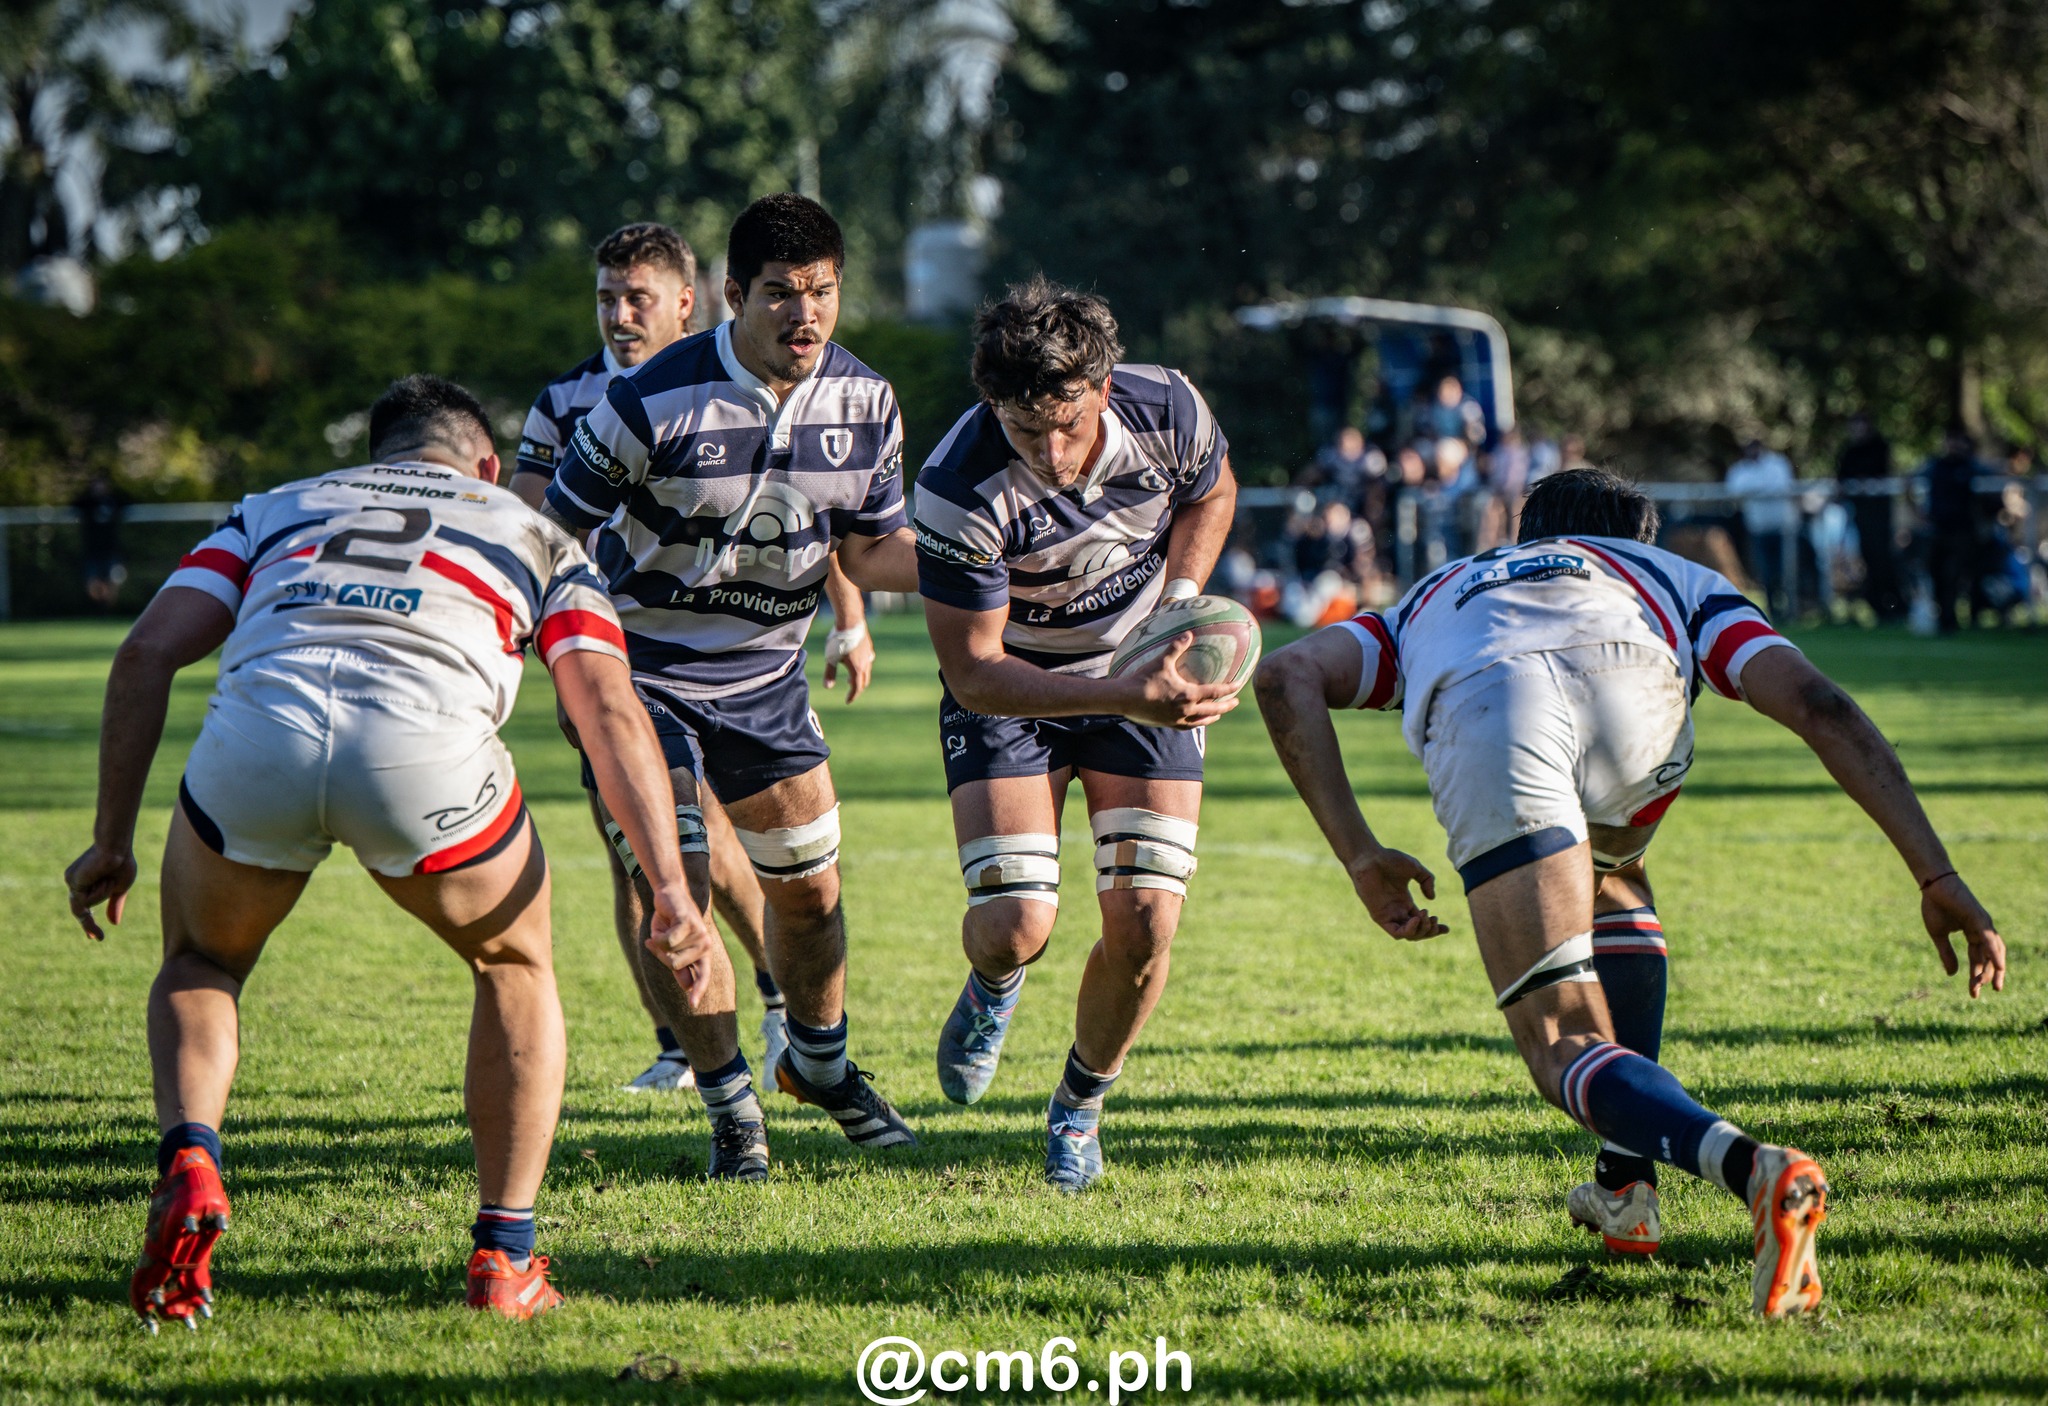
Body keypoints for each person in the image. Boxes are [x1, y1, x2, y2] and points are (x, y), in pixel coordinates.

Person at [1252, 467, 2004, 1317]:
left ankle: (1751, 1168)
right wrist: (1936, 875)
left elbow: (1283, 678)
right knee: (1611, 872)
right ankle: (1624, 1187)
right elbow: (1820, 705)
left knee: (1561, 1038)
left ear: (1525, 534)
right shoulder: (1672, 576)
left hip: (1497, 706)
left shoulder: (1439, 589)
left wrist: (1359, 853)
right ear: (1635, 538)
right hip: (1638, 699)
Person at [61, 376, 722, 1329]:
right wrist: (670, 888)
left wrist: (111, 840)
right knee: (512, 964)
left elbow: (145, 654)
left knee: (201, 960)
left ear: (378, 458)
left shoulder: (277, 506)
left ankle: (193, 1157)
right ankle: (505, 1258)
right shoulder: (530, 529)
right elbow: (609, 708)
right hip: (424, 758)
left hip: (262, 738)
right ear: (487, 466)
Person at [542, 193, 923, 1169]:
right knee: (678, 898)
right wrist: (564, 662)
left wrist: (992, 564)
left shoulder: (865, 400)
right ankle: (730, 1110)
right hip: (642, 677)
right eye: (782, 295)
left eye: (824, 294)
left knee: (812, 892)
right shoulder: (644, 401)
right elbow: (552, 537)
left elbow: (873, 549)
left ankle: (820, 1063)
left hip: (767, 680)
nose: (806, 316)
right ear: (729, 294)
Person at [913, 278, 1241, 1191]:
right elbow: (974, 671)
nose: (1051, 454)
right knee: (1015, 924)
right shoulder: (954, 487)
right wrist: (1125, 693)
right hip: (1014, 687)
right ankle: (993, 987)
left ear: (1103, 386)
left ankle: (1079, 1106)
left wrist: (1175, 610)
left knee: (1145, 921)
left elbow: (1214, 494)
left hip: (1142, 672)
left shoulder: (1168, 404)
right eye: (1025, 432)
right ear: (992, 406)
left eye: (1066, 424)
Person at [1836, 413, 1905, 622]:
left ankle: (1895, 605)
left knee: (1883, 558)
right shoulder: (1849, 451)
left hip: (1880, 514)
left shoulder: (1880, 447)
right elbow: (1842, 478)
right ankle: (1879, 607)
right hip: (1859, 514)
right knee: (1867, 558)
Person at [1922, 429, 1987, 634]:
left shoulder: (1971, 467)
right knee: (1938, 574)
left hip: (1963, 530)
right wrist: (1920, 515)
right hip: (1939, 529)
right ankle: (1945, 618)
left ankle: (1970, 616)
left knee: (1958, 575)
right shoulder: (1935, 466)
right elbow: (1907, 480)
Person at [1725, 438, 1799, 617]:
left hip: (1782, 527)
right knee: (1765, 572)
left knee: (1786, 571)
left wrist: (1754, 490)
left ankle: (1790, 610)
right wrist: (1761, 489)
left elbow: (1779, 485)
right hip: (1758, 528)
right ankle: (1773, 610)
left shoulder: (1777, 464)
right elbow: (1735, 488)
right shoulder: (1740, 469)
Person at [73, 473, 131, 611]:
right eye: (97, 484)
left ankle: (108, 611)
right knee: (92, 585)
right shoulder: (87, 502)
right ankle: (99, 608)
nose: (100, 487)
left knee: (114, 581)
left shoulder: (114, 500)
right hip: (92, 551)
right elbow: (73, 505)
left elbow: (129, 501)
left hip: (111, 550)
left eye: (102, 484)